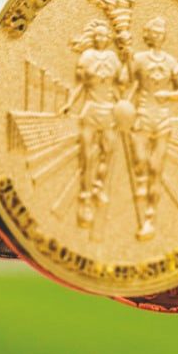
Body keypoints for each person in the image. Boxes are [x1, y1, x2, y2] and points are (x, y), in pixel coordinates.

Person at [125, 17, 178, 241]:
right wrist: (123, 108)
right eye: (153, 32)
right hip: (142, 115)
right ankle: (140, 186)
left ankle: (149, 216)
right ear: (148, 35)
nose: (157, 35)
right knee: (140, 161)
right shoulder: (138, 59)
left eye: (160, 32)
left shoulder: (171, 62)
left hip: (162, 119)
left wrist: (168, 95)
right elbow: (129, 84)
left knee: (156, 169)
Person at [64, 19, 125, 230]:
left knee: (107, 152)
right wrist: (69, 104)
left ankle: (99, 185)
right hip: (90, 111)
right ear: (94, 38)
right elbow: (80, 86)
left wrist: (124, 107)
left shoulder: (114, 59)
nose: (101, 38)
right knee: (86, 154)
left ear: (108, 38)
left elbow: (117, 88)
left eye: (104, 35)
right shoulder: (86, 57)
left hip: (109, 111)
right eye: (97, 35)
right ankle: (85, 195)